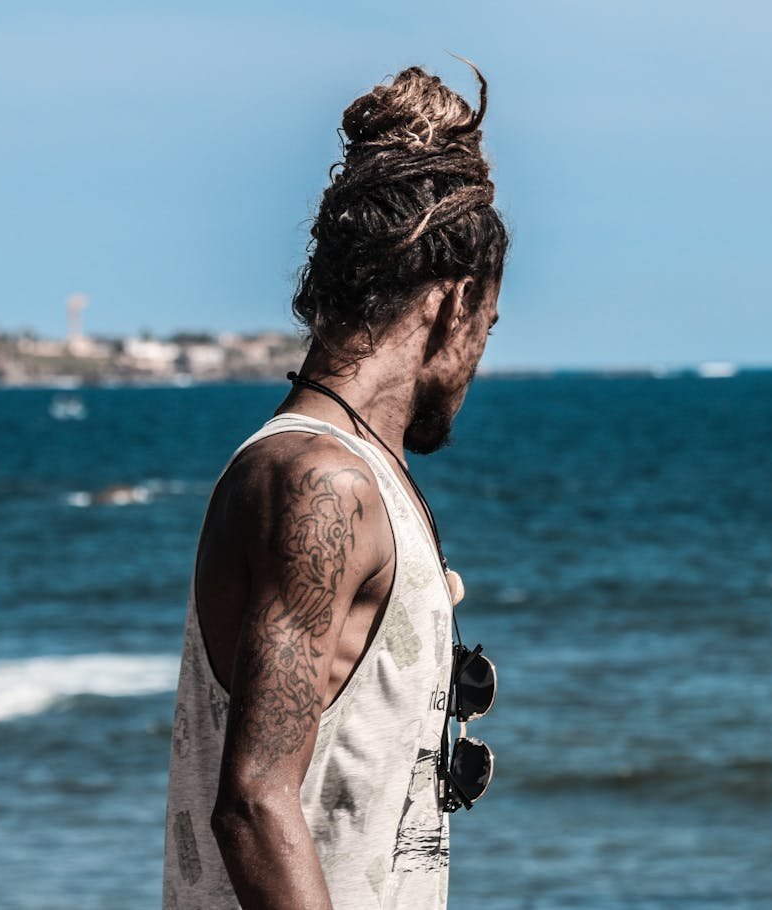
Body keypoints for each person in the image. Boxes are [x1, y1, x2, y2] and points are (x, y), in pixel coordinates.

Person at [163, 62, 508, 910]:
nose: (479, 361)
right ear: (455, 301)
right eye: (488, 328)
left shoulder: (345, 475)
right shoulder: (320, 482)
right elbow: (253, 803)